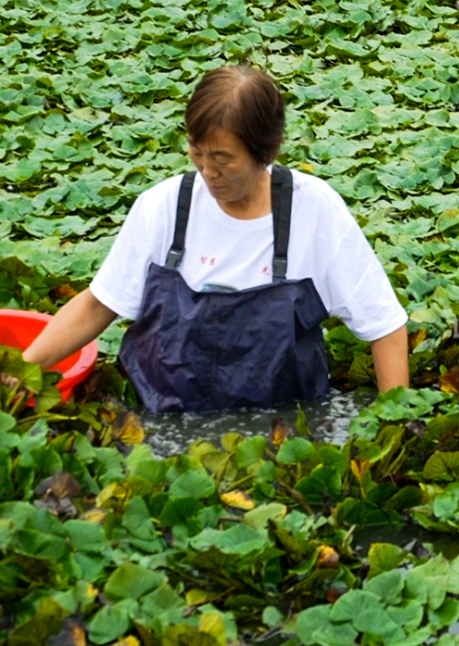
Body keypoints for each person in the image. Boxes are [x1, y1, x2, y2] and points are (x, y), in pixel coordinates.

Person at [23, 65, 409, 412]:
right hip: (165, 415)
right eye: (197, 152)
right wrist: (20, 372)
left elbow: (384, 324)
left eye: (224, 159)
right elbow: (98, 305)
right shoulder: (162, 207)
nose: (208, 171)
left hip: (284, 425)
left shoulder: (315, 210)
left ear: (265, 152)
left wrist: (393, 427)